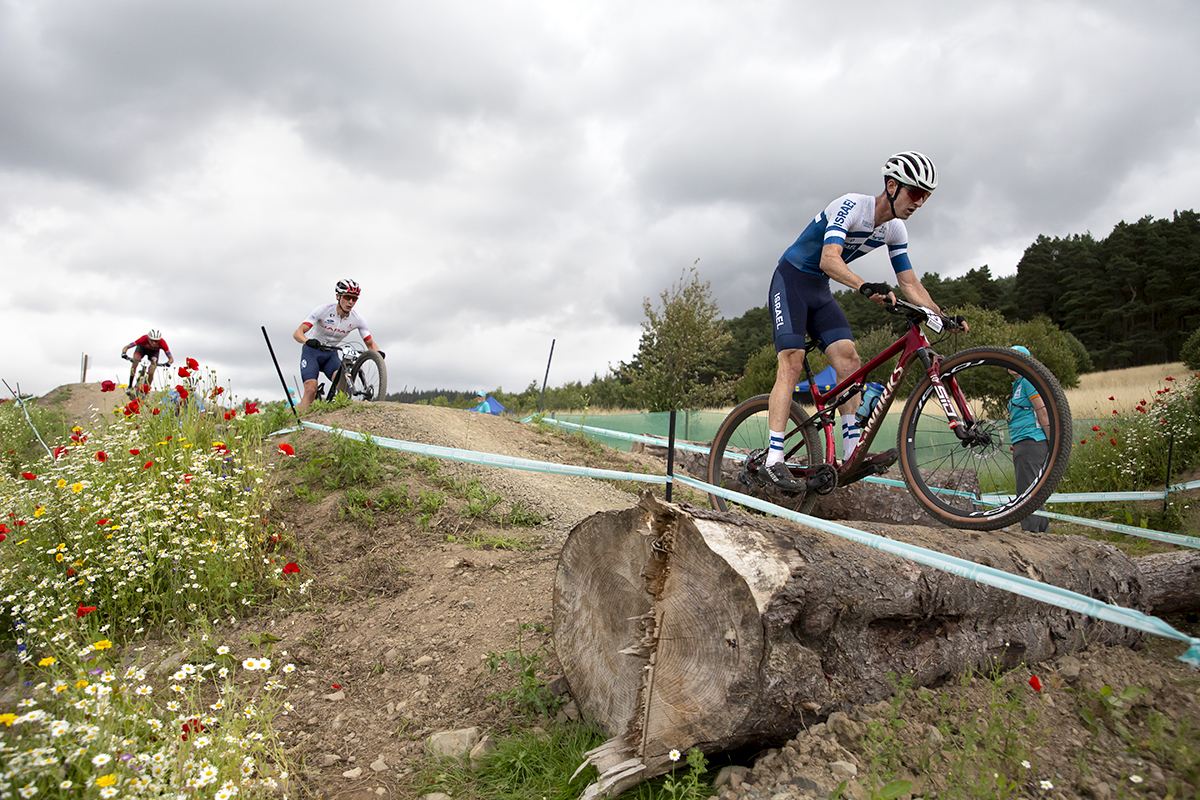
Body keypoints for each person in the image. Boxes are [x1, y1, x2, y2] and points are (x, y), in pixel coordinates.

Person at [764, 151, 967, 490]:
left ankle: (850, 453)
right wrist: (863, 285)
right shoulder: (852, 207)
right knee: (792, 363)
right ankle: (773, 459)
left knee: (850, 360)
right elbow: (830, 259)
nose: (919, 203)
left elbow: (909, 283)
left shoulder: (895, 229)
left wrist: (941, 317)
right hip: (791, 280)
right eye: (915, 193)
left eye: (926, 197)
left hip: (819, 290)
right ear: (891, 186)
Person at [293, 279, 383, 412]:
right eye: (347, 297)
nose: (350, 302)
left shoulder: (357, 319)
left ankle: (339, 417)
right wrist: (307, 341)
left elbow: (370, 344)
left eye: (354, 299)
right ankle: (297, 419)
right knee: (311, 389)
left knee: (342, 384)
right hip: (312, 351)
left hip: (330, 354)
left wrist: (378, 354)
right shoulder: (323, 310)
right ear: (338, 296)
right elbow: (297, 333)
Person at [1008, 346, 1051, 532]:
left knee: (1026, 493)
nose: (1012, 363)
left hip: (1031, 441)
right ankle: (1042, 532)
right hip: (1022, 441)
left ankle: (1032, 534)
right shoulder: (1018, 385)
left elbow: (1042, 411)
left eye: (1018, 358)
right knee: (1031, 490)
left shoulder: (1028, 381)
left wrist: (1052, 443)